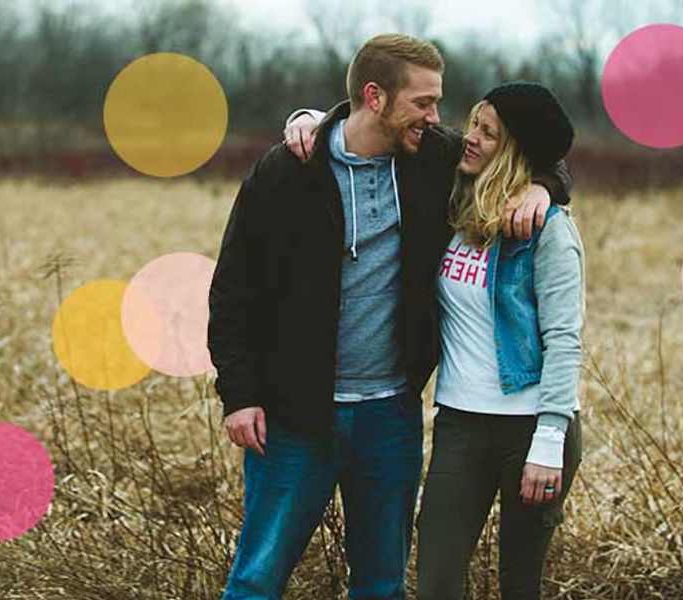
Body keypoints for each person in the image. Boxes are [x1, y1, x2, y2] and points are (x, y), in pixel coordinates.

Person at [207, 33, 572, 600]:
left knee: (382, 585)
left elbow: (527, 154)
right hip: (294, 416)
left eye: (437, 102)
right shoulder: (288, 171)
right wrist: (239, 394)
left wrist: (546, 189)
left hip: (390, 418)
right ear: (375, 97)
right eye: (423, 102)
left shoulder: (433, 160)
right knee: (256, 580)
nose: (436, 117)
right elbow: (233, 291)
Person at [286, 82, 585, 600]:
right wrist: (314, 117)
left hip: (532, 427)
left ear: (514, 153)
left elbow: (564, 340)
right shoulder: (454, 202)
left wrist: (549, 440)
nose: (469, 137)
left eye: (488, 133)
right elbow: (374, 128)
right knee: (435, 582)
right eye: (474, 124)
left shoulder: (548, 231)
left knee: (520, 585)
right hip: (459, 424)